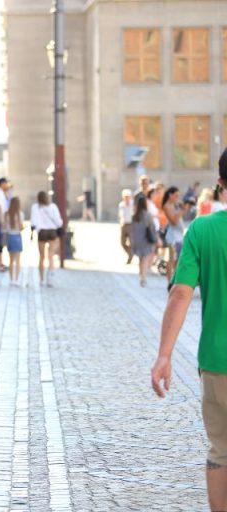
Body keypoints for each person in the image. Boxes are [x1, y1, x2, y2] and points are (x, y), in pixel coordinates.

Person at [151, 149, 227, 511]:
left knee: (220, 450)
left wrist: (164, 355)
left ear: (221, 183)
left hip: (217, 360)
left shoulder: (202, 230)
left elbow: (181, 293)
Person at [30, 191, 63, 287]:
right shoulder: (53, 206)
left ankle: (41, 279)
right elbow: (58, 221)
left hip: (42, 232)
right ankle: (50, 279)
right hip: (52, 232)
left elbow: (33, 222)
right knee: (51, 255)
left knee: (41, 256)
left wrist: (34, 229)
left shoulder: (35, 207)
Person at [130, 195, 157, 287]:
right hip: (145, 240)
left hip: (137, 240)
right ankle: (143, 278)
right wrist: (155, 238)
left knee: (140, 259)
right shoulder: (148, 215)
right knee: (144, 259)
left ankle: (141, 275)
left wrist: (132, 241)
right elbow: (152, 228)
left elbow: (132, 230)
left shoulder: (134, 216)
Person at [162, 186, 184, 283]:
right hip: (173, 235)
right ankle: (169, 281)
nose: (177, 197)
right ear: (170, 195)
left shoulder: (175, 204)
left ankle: (176, 280)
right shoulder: (167, 206)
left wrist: (182, 207)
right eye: (176, 195)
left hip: (179, 234)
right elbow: (174, 221)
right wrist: (182, 210)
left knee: (178, 259)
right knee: (171, 258)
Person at [4, 197, 25, 286]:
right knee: (18, 260)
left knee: (11, 260)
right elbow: (21, 227)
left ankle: (11, 279)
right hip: (17, 235)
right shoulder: (20, 214)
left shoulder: (6, 214)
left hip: (9, 236)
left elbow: (4, 226)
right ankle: (16, 279)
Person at [118, 189, 135, 264]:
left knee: (132, 242)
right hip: (124, 224)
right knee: (122, 243)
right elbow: (121, 215)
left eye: (128, 196)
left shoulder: (133, 204)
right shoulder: (121, 204)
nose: (126, 198)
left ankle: (130, 256)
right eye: (125, 196)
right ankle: (130, 254)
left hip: (131, 225)